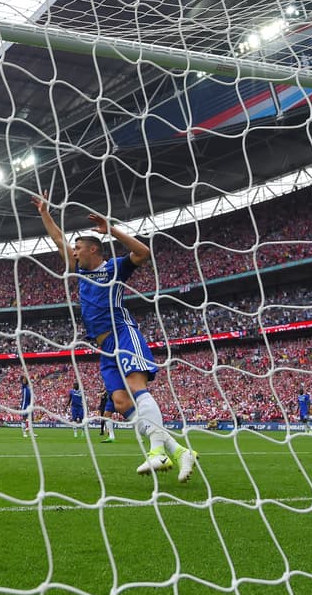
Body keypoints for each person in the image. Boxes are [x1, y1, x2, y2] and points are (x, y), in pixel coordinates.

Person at [33, 191, 198, 481]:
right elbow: (58, 240)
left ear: (93, 250)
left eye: (78, 248)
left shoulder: (113, 267)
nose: (73, 252)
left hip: (122, 333)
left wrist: (111, 230)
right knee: (121, 403)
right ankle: (180, 451)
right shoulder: (79, 271)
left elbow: (142, 253)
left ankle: (157, 451)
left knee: (136, 386)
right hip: (104, 347)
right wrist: (45, 213)